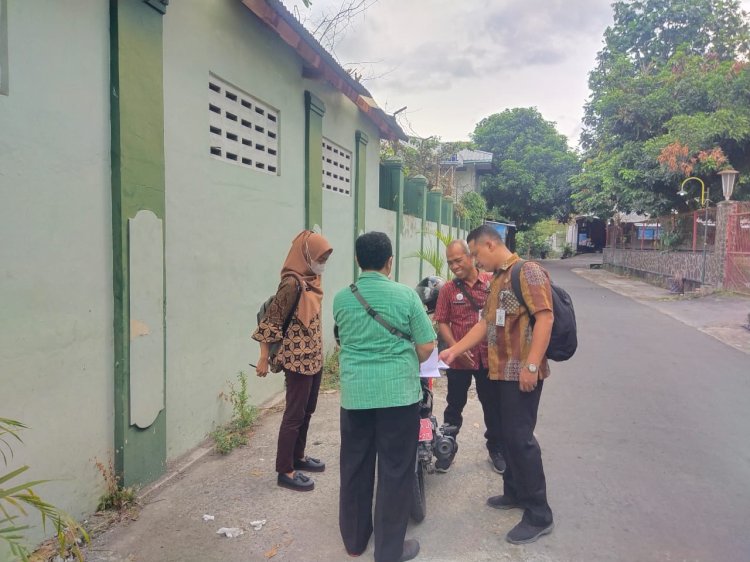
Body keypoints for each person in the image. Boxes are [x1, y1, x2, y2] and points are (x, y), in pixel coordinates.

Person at [439, 225, 555, 545]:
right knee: (506, 435)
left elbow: (545, 317)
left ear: (491, 245)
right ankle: (514, 492)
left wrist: (531, 364)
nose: (475, 261)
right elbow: (486, 324)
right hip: (500, 371)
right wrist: (454, 350)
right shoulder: (498, 280)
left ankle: (539, 513)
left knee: (521, 440)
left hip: (522, 371)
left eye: (476, 254)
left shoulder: (527, 271)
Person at [334, 232, 435, 562]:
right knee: (395, 470)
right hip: (397, 396)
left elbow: (342, 339)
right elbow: (426, 345)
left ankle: (355, 540)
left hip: (356, 397)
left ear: (357, 261)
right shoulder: (406, 296)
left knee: (354, 466)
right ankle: (390, 550)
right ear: (390, 262)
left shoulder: (341, 298)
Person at [252, 230, 333, 492]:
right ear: (306, 254)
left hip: (314, 358)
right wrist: (264, 357)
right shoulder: (292, 283)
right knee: (294, 415)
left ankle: (299, 457)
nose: (323, 262)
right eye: (320, 256)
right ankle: (285, 469)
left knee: (307, 411)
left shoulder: (313, 280)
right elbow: (270, 322)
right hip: (296, 360)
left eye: (326, 257)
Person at [432, 240, 505, 474]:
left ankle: (496, 449)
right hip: (459, 362)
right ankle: (447, 448)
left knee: (492, 406)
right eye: (450, 262)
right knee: (454, 406)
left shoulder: (492, 283)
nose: (454, 266)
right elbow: (442, 321)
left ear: (470, 257)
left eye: (458, 260)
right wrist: (456, 350)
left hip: (488, 358)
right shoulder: (448, 290)